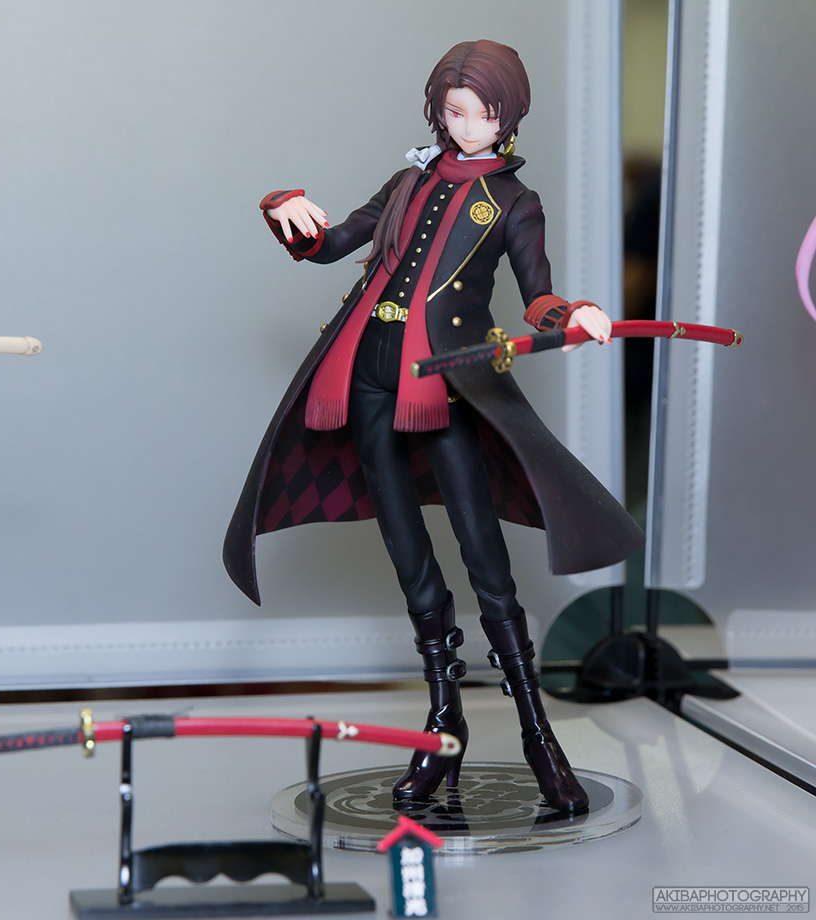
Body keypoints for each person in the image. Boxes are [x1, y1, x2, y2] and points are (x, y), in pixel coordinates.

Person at [223, 40, 644, 813]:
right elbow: (333, 245)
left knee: (485, 556)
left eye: (481, 114)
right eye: (453, 111)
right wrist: (285, 211)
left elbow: (538, 295)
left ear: (507, 117)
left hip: (447, 383)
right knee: (408, 555)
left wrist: (574, 315)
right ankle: (444, 727)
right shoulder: (408, 181)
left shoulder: (513, 202)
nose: (465, 126)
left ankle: (537, 735)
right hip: (367, 374)